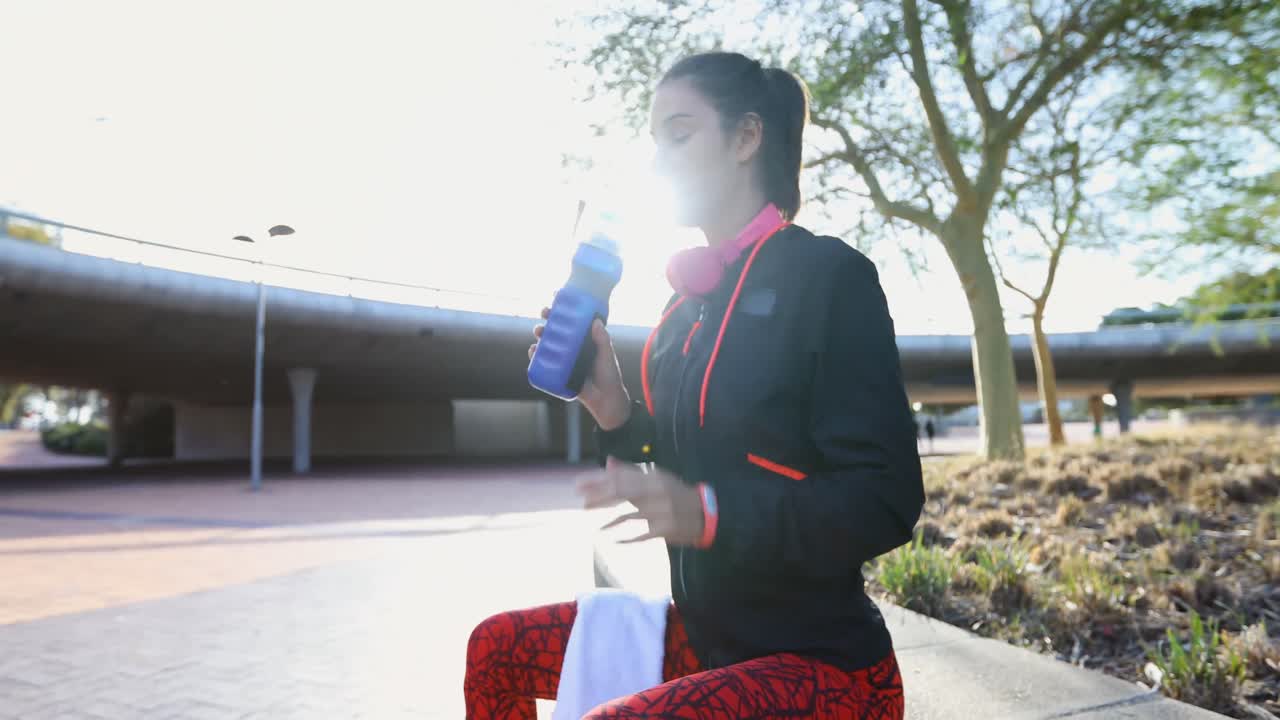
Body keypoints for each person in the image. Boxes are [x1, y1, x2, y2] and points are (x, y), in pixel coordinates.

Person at [465, 51, 923, 719]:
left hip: (826, 669)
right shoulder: (683, 313)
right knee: (496, 651)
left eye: (679, 133)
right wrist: (613, 407)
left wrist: (712, 514)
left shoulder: (828, 277)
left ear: (746, 137)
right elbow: (673, 471)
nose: (658, 159)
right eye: (655, 140)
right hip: (710, 640)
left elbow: (884, 498)